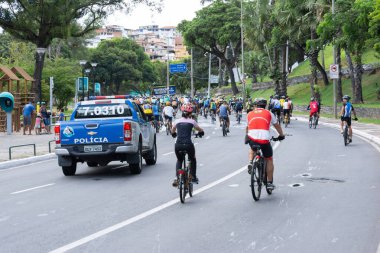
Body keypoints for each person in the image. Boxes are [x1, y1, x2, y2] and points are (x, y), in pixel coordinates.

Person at [245, 98, 285, 190]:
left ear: (255, 105)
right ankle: (270, 182)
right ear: (265, 105)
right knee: (269, 159)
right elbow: (277, 126)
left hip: (253, 139)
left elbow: (248, 127)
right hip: (264, 140)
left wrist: (246, 136)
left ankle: (251, 162)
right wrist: (281, 135)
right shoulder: (269, 113)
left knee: (252, 147)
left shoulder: (249, 114)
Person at [171, 104, 204, 186]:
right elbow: (200, 129)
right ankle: (193, 177)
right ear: (190, 114)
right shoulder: (192, 121)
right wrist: (201, 133)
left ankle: (177, 178)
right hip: (188, 145)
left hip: (178, 145)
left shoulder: (177, 121)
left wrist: (174, 134)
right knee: (193, 159)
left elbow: (172, 131)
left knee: (179, 160)